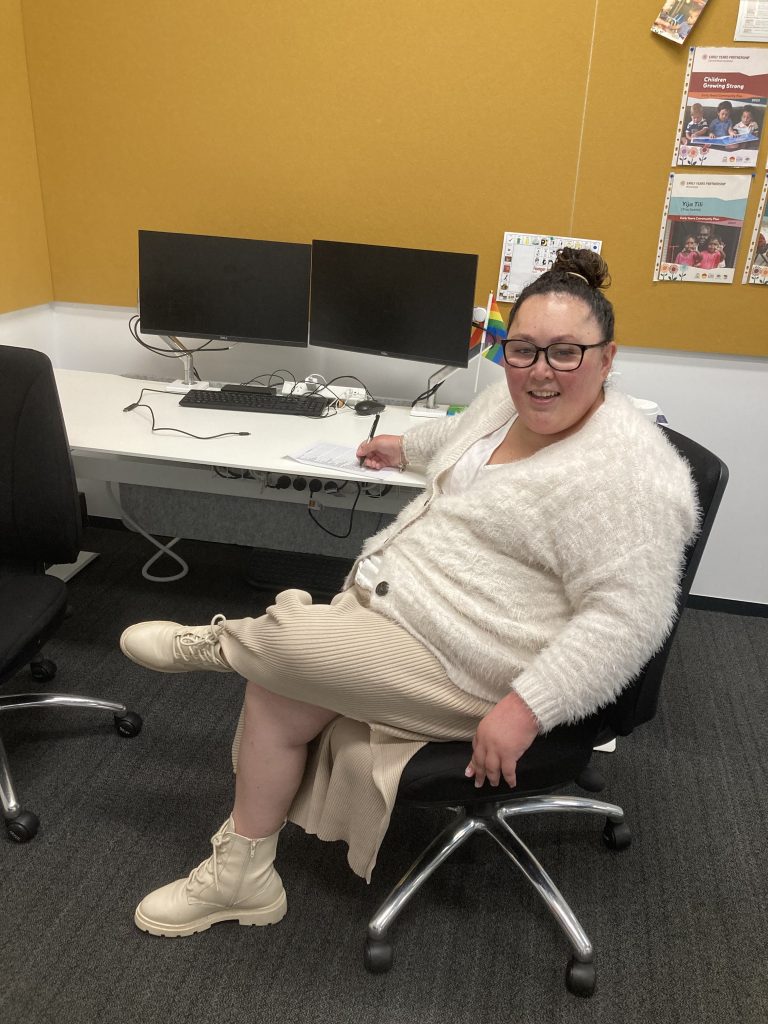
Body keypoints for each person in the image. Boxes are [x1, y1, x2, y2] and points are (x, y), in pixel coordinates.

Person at [119, 249, 699, 939]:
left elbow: (629, 620)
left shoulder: (629, 476)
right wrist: (402, 447)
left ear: (607, 360)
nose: (541, 371)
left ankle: (227, 642)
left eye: (566, 353)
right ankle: (244, 876)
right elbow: (459, 440)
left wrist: (525, 707)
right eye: (523, 350)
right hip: (409, 612)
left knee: (287, 643)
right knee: (277, 693)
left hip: (479, 667)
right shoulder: (509, 404)